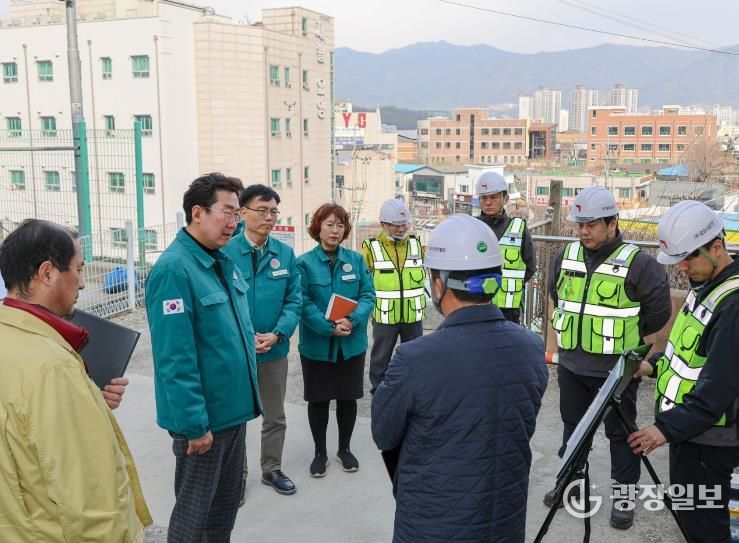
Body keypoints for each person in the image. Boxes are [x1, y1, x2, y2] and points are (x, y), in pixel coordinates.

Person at [372, 214, 547, 543]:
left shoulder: (414, 359)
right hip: (504, 519)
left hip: (433, 524)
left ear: (439, 285)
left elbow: (384, 433)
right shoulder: (532, 347)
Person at [0, 219, 152, 541]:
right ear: (47, 273)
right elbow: (89, 502)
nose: (82, 284)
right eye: (78, 270)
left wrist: (90, 401)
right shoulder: (53, 368)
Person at [543, 185, 672, 529]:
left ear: (612, 223)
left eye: (591, 225)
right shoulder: (564, 256)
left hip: (616, 372)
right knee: (573, 429)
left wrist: (628, 341)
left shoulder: (639, 264)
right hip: (572, 366)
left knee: (621, 435)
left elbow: (658, 313)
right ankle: (571, 484)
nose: (583, 231)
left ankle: (624, 498)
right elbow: (556, 294)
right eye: (579, 225)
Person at [145, 173, 260, 542]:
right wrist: (194, 424)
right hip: (204, 422)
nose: (234, 222)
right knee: (193, 518)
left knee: (223, 513)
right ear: (198, 213)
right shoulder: (174, 269)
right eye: (226, 212)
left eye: (237, 214)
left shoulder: (221, 261)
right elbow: (174, 357)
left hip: (233, 413)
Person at [628, 201, 739, 543]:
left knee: (704, 529)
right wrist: (652, 366)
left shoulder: (732, 306)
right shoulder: (705, 287)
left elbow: (716, 391)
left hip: (709, 440)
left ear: (716, 247)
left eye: (689, 258)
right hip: (689, 431)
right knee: (691, 517)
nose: (683, 267)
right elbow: (686, 356)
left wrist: (663, 430)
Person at [223, 184, 301, 500]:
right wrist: (243, 337)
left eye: (274, 212)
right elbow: (219, 305)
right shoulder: (225, 253)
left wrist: (278, 333)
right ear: (243, 212)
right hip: (237, 352)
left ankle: (272, 469)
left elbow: (294, 301)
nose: (269, 217)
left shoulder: (285, 254)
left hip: (274, 350)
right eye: (262, 210)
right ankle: (236, 478)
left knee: (275, 416)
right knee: (237, 418)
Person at [296, 203, 375, 477]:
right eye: (329, 225)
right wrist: (328, 327)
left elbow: (368, 295)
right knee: (318, 400)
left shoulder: (356, 260)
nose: (335, 231)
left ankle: (344, 449)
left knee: (347, 398)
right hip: (317, 346)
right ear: (318, 228)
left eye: (340, 226)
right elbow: (302, 302)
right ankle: (320, 452)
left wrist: (351, 320)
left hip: (351, 344)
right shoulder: (303, 263)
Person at [361, 198, 425, 394]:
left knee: (415, 358)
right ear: (383, 224)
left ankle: (413, 392)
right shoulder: (370, 248)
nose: (401, 229)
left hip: (413, 315)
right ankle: (379, 392)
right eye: (396, 225)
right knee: (381, 358)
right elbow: (362, 283)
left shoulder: (416, 244)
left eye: (404, 224)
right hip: (385, 316)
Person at [475, 171, 536, 324]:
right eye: (484, 198)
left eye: (493, 197)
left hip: (509, 310)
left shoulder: (519, 229)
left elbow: (530, 267)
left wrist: (511, 286)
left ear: (506, 199)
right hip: (477, 307)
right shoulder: (472, 228)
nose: (488, 202)